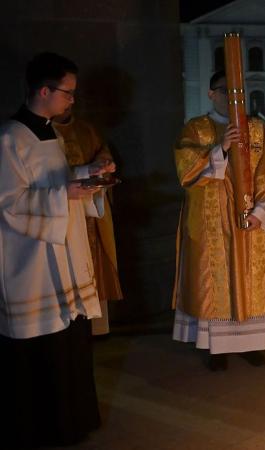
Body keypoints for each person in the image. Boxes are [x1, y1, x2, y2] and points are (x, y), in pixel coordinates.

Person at [0, 52, 109, 447]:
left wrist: (87, 175)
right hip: (33, 265)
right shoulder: (10, 138)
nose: (72, 101)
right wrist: (66, 193)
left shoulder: (51, 132)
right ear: (43, 90)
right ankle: (46, 428)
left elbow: (55, 181)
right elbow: (9, 203)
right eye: (68, 92)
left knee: (70, 342)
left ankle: (74, 421)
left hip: (62, 257)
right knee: (45, 351)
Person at [172, 70, 265, 371]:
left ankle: (250, 344)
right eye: (224, 91)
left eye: (237, 92)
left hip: (249, 220)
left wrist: (263, 211)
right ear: (211, 94)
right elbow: (186, 171)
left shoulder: (256, 129)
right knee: (217, 281)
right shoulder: (196, 128)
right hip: (212, 220)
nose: (231, 97)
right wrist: (221, 147)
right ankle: (216, 348)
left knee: (250, 278)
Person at [53, 108, 124, 336]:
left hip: (89, 215)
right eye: (66, 93)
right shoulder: (39, 135)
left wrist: (104, 165)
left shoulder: (86, 130)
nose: (71, 101)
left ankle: (95, 327)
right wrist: (86, 171)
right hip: (60, 216)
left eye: (73, 94)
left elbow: (103, 154)